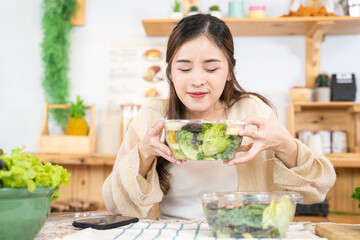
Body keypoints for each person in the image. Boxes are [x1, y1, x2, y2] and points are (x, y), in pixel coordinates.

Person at [102, 14, 336, 220]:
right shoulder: (152, 116)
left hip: (242, 232)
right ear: (170, 73)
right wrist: (143, 155)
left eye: (211, 68)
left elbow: (317, 189)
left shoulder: (251, 111)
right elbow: (116, 207)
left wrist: (286, 146)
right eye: (184, 69)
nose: (196, 80)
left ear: (229, 71)